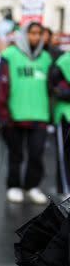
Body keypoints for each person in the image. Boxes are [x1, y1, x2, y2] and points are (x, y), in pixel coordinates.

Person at [0, 22, 51, 204]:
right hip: (15, 115)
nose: (36, 37)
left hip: (40, 114)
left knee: (36, 154)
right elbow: (1, 86)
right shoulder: (10, 55)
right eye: (32, 33)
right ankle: (13, 185)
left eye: (39, 33)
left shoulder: (46, 58)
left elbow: (53, 85)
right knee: (16, 154)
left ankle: (31, 186)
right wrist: (3, 113)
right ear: (24, 35)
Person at [50, 47, 70, 198]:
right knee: (65, 155)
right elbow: (54, 87)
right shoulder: (64, 61)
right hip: (65, 115)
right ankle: (65, 190)